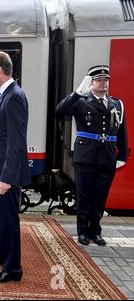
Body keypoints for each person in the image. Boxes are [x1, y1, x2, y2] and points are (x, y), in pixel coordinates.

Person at [56, 65, 128, 246]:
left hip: (107, 156)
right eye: (99, 80)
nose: (103, 84)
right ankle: (82, 232)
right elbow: (60, 110)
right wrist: (78, 92)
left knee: (100, 196)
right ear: (91, 82)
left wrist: (122, 156)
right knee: (84, 195)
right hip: (86, 156)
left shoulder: (116, 104)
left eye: (106, 80)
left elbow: (122, 131)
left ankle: (95, 231)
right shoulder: (80, 101)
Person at [0, 51, 30, 283]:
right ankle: (3, 255)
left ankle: (12, 268)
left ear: (0, 71)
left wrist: (7, 176)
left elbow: (16, 141)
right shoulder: (3, 95)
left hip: (6, 173)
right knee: (1, 217)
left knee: (9, 220)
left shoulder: (14, 97)